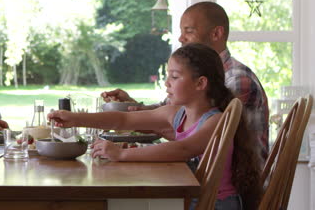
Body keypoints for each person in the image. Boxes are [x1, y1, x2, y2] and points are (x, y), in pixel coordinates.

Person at [49, 43, 262, 209]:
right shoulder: (177, 114)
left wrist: (121, 154)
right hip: (194, 198)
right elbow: (124, 120)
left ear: (200, 84)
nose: (167, 83)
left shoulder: (215, 121)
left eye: (175, 77)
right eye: (168, 76)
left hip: (215, 204)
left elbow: (182, 149)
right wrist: (75, 118)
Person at [102, 1, 269, 159]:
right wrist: (132, 106)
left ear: (216, 33)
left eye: (189, 31)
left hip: (233, 183)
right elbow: (170, 113)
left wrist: (133, 122)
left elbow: (189, 130)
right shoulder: (196, 75)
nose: (181, 38)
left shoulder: (238, 80)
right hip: (202, 171)